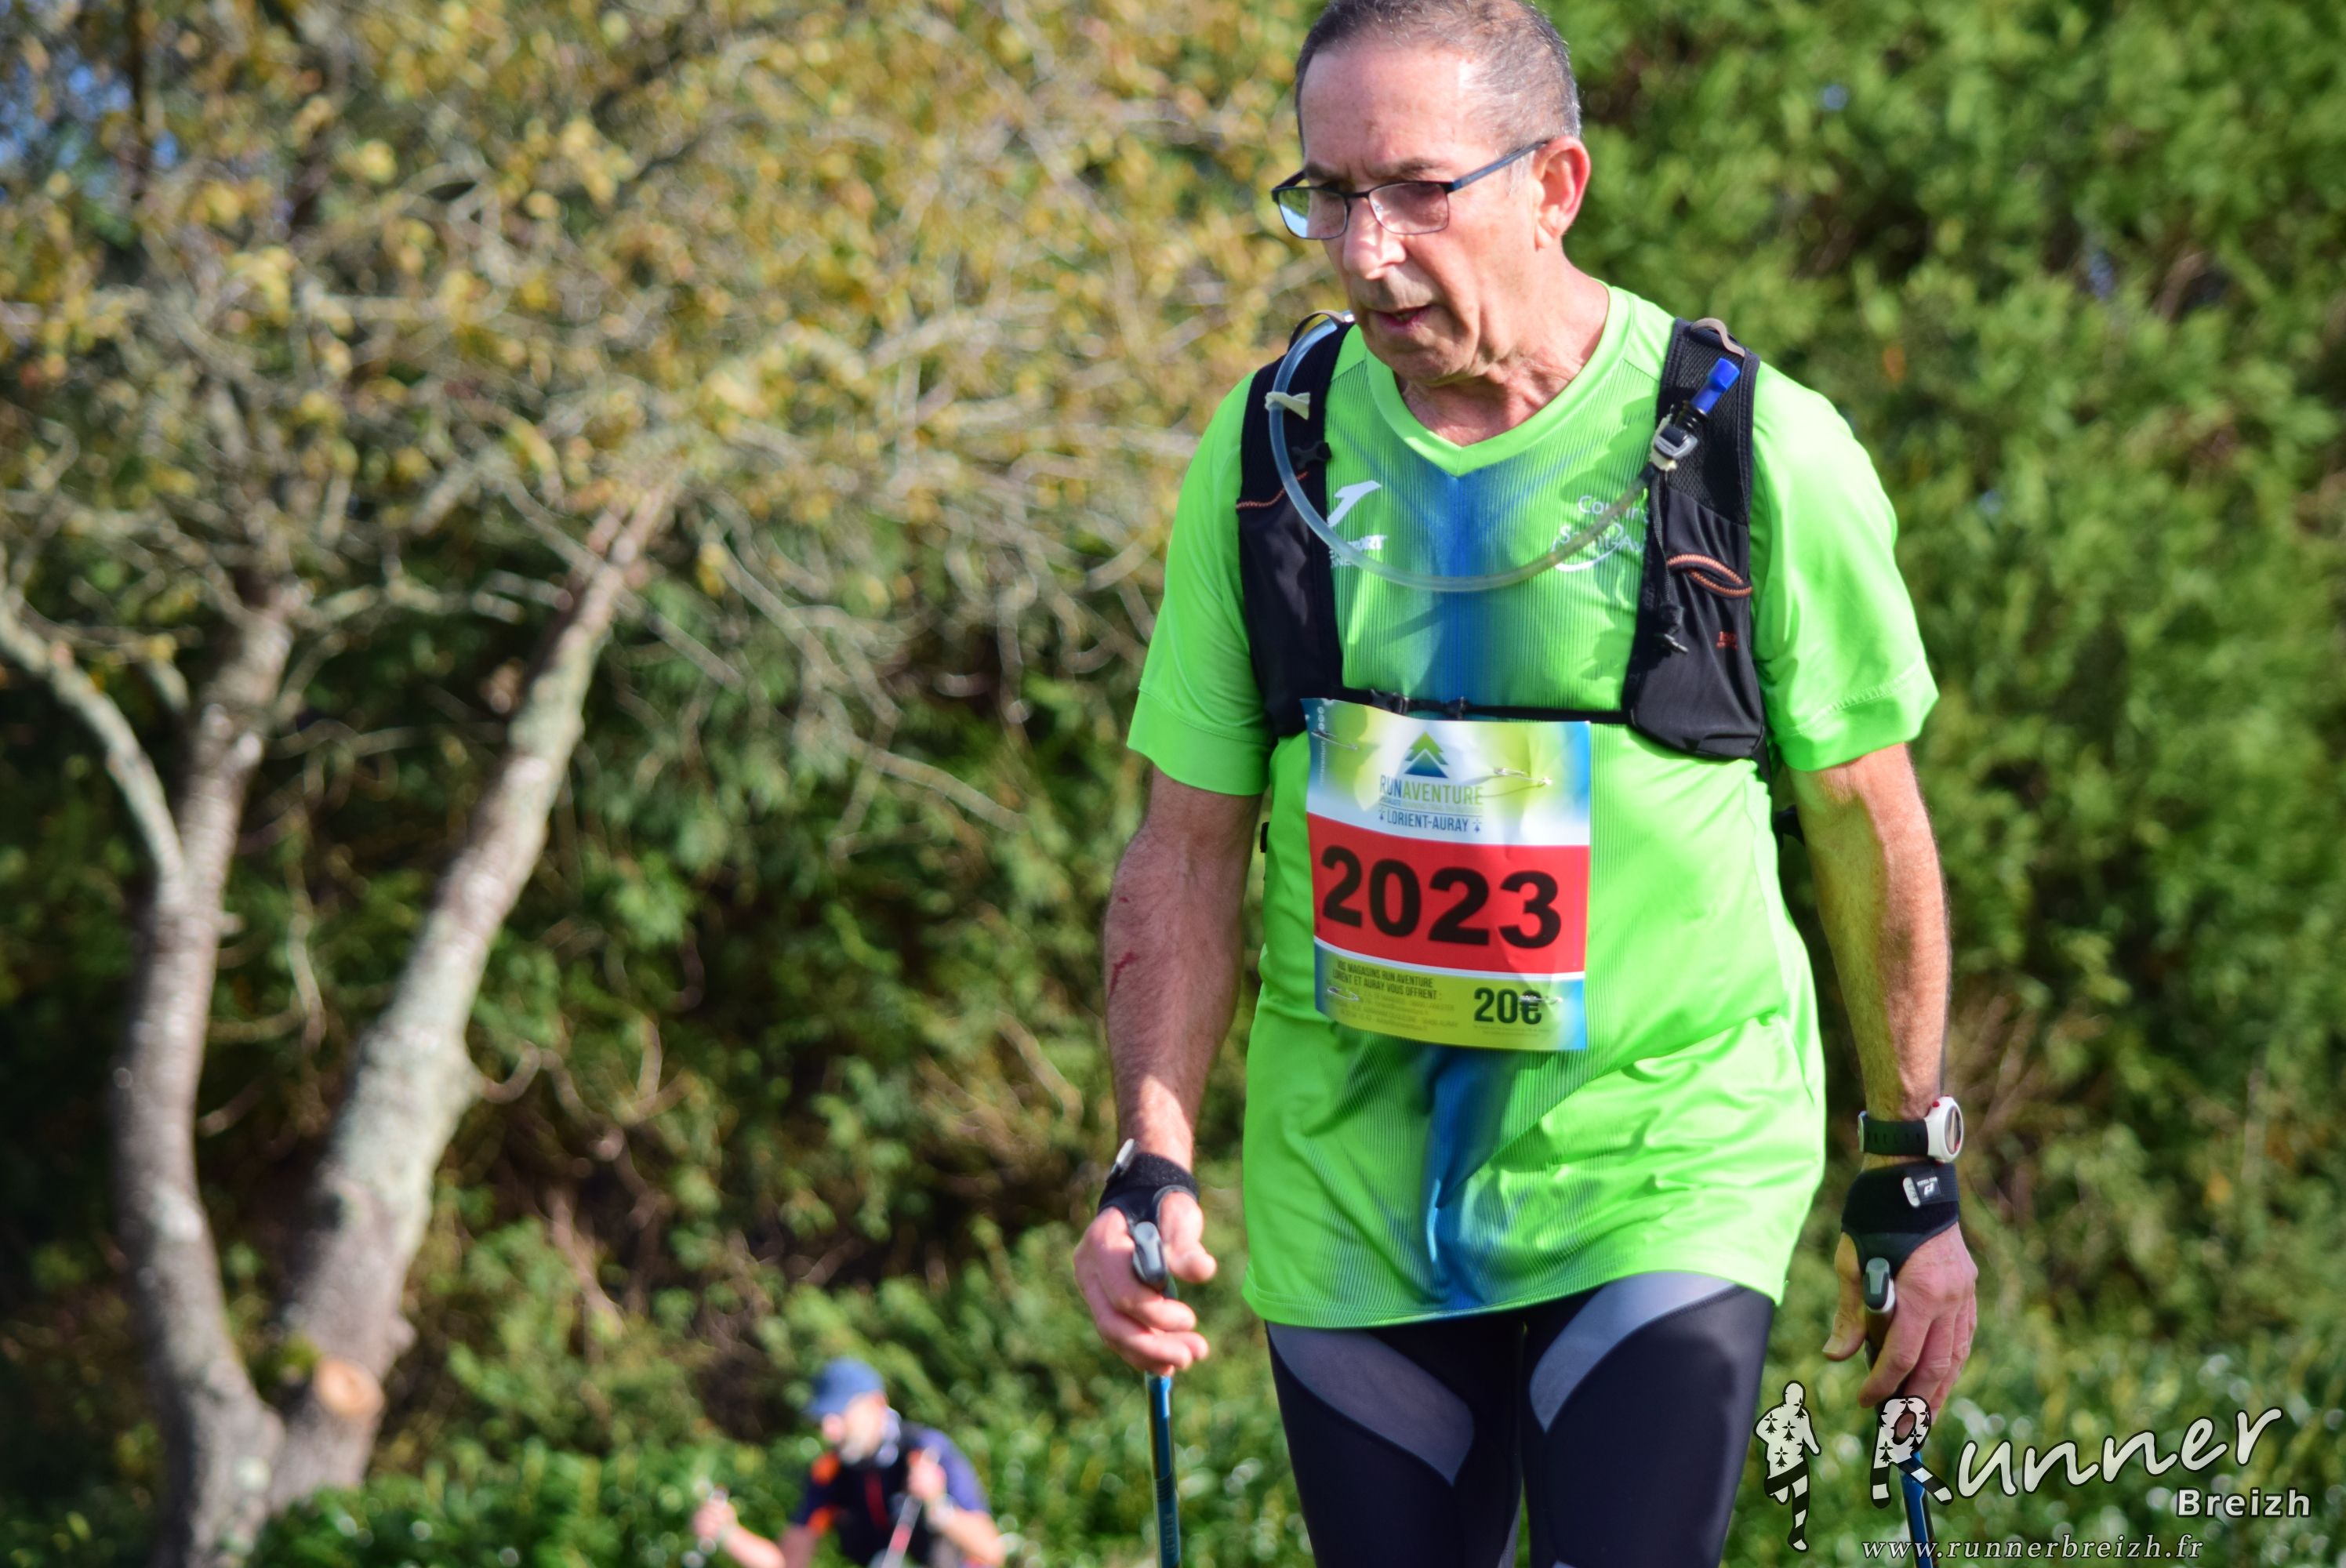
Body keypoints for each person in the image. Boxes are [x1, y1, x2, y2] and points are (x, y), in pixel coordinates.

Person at [1070, 2, 1980, 1564]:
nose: (1365, 252)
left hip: (1661, 1156)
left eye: (1417, 191)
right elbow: (1186, 849)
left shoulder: (1750, 450)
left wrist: (1907, 1165)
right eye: (1327, 195)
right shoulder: (1270, 452)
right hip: (1355, 1190)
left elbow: (1863, 827)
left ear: (1553, 183)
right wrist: (1147, 1155)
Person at [691, 1357, 1004, 1568]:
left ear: (876, 1405)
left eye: (840, 1415)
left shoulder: (926, 1450)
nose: (829, 1431)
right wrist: (727, 1532)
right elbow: (788, 1562)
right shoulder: (831, 1473)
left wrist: (938, 1505)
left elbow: (992, 1550)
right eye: (823, 1420)